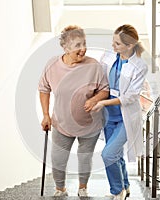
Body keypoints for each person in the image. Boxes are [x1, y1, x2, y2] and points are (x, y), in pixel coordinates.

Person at [38, 25, 109, 197]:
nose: (83, 49)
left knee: (84, 158)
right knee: (58, 159)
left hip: (89, 124)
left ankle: (82, 188)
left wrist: (94, 99)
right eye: (78, 45)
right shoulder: (52, 65)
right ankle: (60, 189)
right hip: (62, 123)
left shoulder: (94, 66)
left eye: (84, 44)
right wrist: (46, 115)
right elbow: (44, 88)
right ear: (66, 47)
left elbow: (104, 90)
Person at [92, 24, 148, 200]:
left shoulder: (139, 66)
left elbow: (131, 96)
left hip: (125, 116)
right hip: (109, 116)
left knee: (108, 154)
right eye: (113, 42)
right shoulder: (108, 56)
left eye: (117, 44)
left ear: (129, 45)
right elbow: (99, 79)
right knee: (115, 154)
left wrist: (103, 102)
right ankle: (125, 185)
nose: (113, 46)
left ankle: (117, 191)